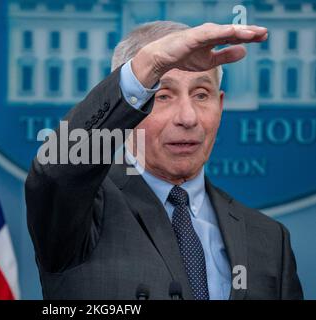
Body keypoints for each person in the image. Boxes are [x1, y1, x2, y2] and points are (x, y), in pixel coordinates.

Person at [25, 21, 303, 300]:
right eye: (162, 96)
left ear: (220, 105)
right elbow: (56, 170)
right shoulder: (83, 213)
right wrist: (151, 65)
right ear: (130, 109)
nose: (188, 117)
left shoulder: (269, 239)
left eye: (201, 95)